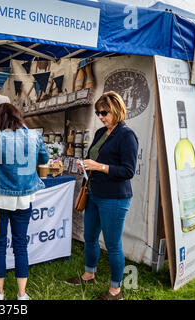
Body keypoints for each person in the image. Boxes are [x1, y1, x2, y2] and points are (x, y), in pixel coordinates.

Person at [65, 91, 138, 300]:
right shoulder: (100, 133)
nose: (100, 116)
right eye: (98, 113)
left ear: (116, 109)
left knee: (113, 245)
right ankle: (89, 274)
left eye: (104, 112)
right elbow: (91, 158)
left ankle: (116, 291)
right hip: (95, 193)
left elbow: (128, 171)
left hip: (115, 198)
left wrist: (99, 166)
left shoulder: (127, 135)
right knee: (89, 237)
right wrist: (86, 165)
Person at [0, 103, 49, 300]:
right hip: (25, 198)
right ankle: (21, 294)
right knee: (20, 245)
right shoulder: (34, 135)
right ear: (18, 116)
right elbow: (45, 158)